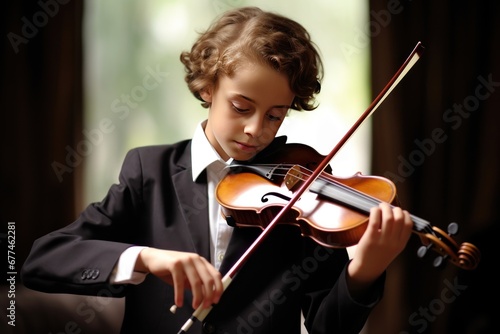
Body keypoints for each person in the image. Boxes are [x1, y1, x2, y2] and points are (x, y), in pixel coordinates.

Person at [21, 6, 413, 334]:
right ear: (208, 87)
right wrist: (147, 258)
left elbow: (329, 328)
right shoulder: (148, 172)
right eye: (241, 107)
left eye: (275, 116)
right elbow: (43, 260)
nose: (255, 130)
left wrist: (364, 271)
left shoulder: (301, 193)